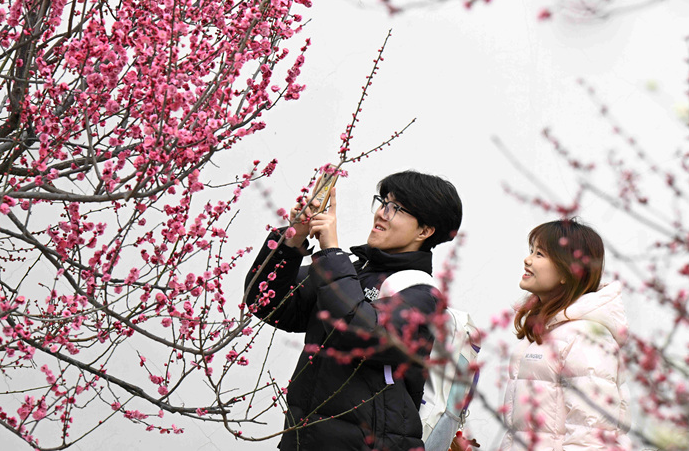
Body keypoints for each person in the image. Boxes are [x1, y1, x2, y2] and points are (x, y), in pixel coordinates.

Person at [244, 170, 463, 450]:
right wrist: (292, 240)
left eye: (396, 208)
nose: (381, 213)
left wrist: (330, 251)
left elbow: (360, 331)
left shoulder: (422, 295)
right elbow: (266, 302)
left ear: (425, 230)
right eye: (383, 202)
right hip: (305, 440)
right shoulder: (349, 273)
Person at [501, 219, 631, 450]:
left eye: (540, 254)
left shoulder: (585, 337)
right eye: (531, 251)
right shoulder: (547, 333)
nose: (527, 260)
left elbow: (591, 436)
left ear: (568, 272)